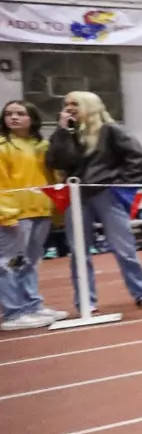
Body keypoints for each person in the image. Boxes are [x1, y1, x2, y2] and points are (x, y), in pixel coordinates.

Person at [44, 91, 142, 311]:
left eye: (75, 104)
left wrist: (120, 185)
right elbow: (55, 161)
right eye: (66, 104)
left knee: (123, 247)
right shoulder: (65, 133)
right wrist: (62, 131)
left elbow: (139, 159)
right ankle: (85, 302)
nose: (69, 108)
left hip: (106, 193)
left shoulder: (111, 130)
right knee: (78, 251)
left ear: (89, 106)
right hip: (76, 195)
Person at [0, 101, 66, 329]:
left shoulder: (41, 145)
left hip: (41, 211)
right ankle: (13, 312)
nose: (14, 117)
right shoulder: (2, 146)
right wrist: (6, 213)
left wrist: (56, 210)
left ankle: (32, 305)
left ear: (32, 118)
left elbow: (52, 178)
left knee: (30, 262)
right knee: (9, 263)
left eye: (20, 113)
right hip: (15, 214)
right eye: (9, 114)